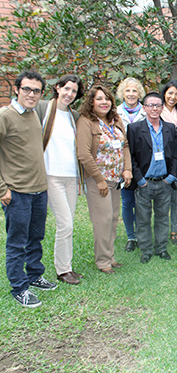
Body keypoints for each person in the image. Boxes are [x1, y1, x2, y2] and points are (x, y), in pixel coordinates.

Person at [0, 70, 57, 307]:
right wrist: (2, 188)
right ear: (16, 89)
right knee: (17, 240)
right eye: (27, 89)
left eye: (36, 91)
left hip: (38, 189)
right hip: (17, 191)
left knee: (36, 236)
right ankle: (19, 287)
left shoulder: (33, 113)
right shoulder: (5, 115)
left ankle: (34, 275)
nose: (32, 94)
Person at [77, 85, 132, 274]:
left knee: (113, 219)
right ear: (91, 102)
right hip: (97, 180)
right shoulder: (86, 122)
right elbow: (83, 154)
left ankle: (110, 256)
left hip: (116, 180)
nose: (104, 102)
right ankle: (102, 261)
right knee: (103, 219)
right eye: (99, 98)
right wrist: (99, 179)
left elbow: (124, 145)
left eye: (107, 98)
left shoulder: (114, 120)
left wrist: (127, 169)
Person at [36, 74, 84, 285]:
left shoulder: (73, 116)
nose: (69, 94)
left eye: (73, 91)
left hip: (71, 177)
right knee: (65, 224)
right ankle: (62, 270)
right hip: (51, 175)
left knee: (69, 223)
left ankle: (67, 266)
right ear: (57, 88)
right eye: (66, 89)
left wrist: (80, 179)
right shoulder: (43, 109)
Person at [127, 92, 177, 263]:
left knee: (163, 217)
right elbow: (131, 156)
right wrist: (139, 180)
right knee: (143, 218)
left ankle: (161, 248)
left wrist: (171, 177)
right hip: (144, 183)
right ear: (144, 107)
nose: (154, 108)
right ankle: (146, 250)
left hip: (164, 181)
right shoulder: (134, 129)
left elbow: (174, 155)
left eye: (158, 105)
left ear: (162, 107)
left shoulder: (170, 128)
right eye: (150, 105)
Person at [116, 78, 147, 252]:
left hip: (143, 161)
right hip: (124, 161)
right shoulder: (116, 112)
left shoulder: (146, 110)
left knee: (142, 201)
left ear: (139, 93)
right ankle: (131, 236)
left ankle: (143, 234)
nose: (131, 94)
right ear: (122, 93)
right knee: (127, 201)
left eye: (134, 91)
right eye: (127, 91)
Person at [160, 80, 177, 245]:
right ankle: (161, 229)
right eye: (170, 93)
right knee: (162, 196)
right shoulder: (156, 111)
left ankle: (174, 230)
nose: (173, 97)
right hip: (160, 159)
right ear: (164, 93)